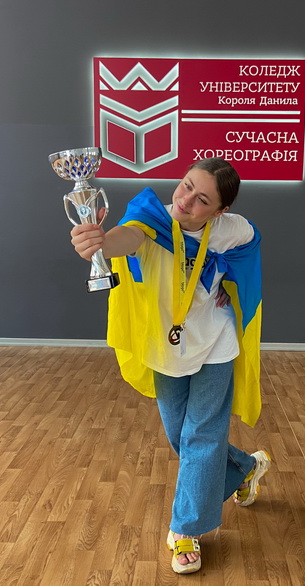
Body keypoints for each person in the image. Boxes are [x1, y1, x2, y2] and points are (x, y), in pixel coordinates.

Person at [70, 157, 271, 575]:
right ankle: (246, 466)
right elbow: (127, 237)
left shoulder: (233, 230)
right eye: (186, 186)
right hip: (166, 348)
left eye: (202, 200)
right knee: (182, 436)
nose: (186, 200)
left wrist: (230, 282)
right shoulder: (153, 221)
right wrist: (100, 242)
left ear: (220, 211)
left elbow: (249, 248)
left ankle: (185, 530)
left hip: (216, 344)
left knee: (202, 435)